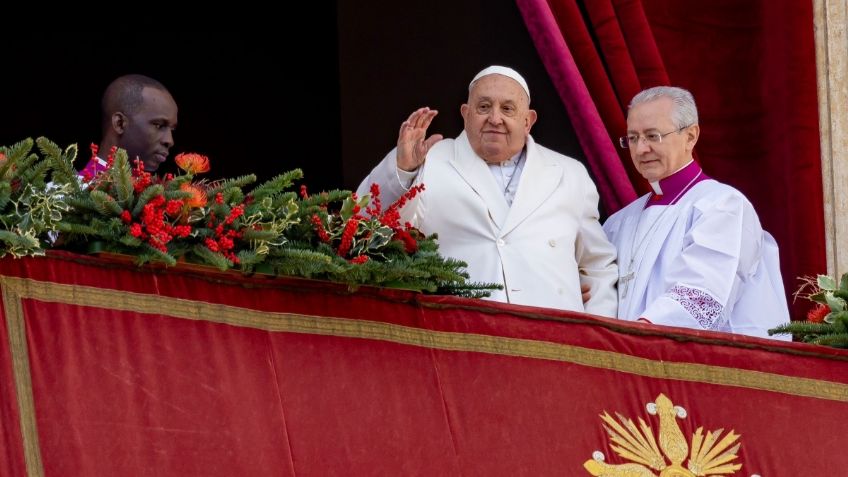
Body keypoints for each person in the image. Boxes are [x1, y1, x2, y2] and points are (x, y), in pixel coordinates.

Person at [357, 65, 618, 316]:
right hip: (463, 333)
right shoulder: (432, 159)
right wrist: (402, 169)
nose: (495, 118)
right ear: (465, 114)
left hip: (553, 339)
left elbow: (597, 267)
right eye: (484, 107)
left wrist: (594, 331)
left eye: (507, 108)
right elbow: (366, 224)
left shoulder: (570, 172)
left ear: (528, 121)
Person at [602, 86, 790, 339]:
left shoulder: (722, 205)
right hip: (628, 361)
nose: (640, 149)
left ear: (690, 136)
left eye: (652, 136)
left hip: (698, 364)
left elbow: (704, 290)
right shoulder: (618, 223)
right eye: (633, 138)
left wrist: (639, 336)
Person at [79, 74, 178, 178]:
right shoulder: (67, 192)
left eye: (172, 129)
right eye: (159, 125)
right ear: (119, 123)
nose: (170, 141)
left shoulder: (158, 192)